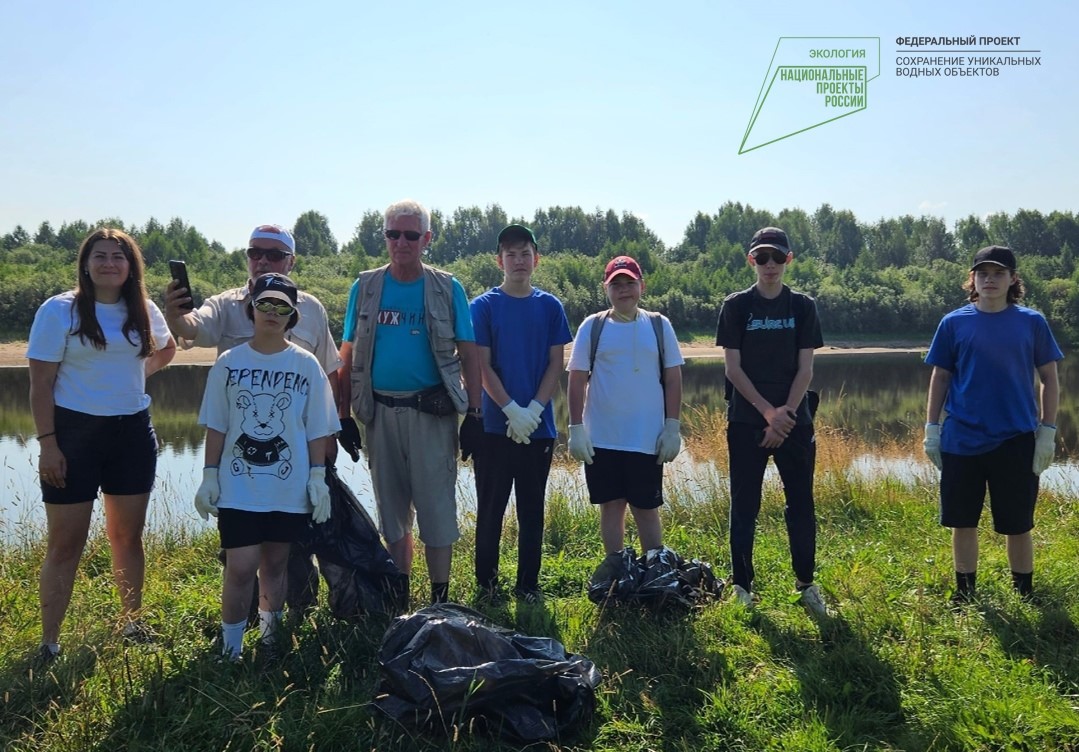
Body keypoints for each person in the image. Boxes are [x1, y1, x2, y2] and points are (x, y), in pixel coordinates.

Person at [164, 223, 340, 616]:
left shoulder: (311, 307)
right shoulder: (225, 304)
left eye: (274, 254)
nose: (262, 260)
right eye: (255, 251)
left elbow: (327, 372)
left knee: (291, 547)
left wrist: (331, 436)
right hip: (240, 463)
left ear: (291, 261)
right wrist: (177, 315)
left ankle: (291, 617)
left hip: (295, 455)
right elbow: (192, 328)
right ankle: (238, 627)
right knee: (240, 557)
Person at [27, 228, 176, 662]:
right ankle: (49, 642)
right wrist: (48, 444)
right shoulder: (60, 311)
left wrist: (133, 378)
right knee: (65, 543)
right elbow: (40, 384)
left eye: (118, 256)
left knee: (127, 537)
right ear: (86, 263)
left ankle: (131, 624)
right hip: (73, 435)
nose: (109, 263)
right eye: (100, 255)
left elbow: (165, 350)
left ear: (131, 266)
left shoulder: (143, 309)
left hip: (131, 433)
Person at [337, 199, 482, 605]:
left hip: (432, 414)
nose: (401, 242)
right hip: (379, 415)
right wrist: (343, 415)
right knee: (392, 512)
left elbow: (469, 353)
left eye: (411, 235)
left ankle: (440, 602)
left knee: (437, 510)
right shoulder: (364, 287)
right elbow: (346, 353)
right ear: (384, 237)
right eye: (393, 234)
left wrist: (474, 413)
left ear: (427, 239)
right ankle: (399, 599)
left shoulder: (447, 287)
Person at [194, 273, 339, 661]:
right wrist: (209, 475)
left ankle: (271, 641)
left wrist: (317, 476)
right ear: (251, 309)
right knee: (240, 567)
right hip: (239, 489)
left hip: (287, 490)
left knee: (276, 565)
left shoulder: (306, 365)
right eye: (264, 305)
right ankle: (231, 649)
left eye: (282, 308)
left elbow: (317, 428)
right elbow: (217, 423)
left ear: (292, 316)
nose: (272, 313)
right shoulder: (229, 363)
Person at [923, 245, 1062, 602]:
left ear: (1013, 279)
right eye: (983, 273)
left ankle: (1024, 594)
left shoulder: (1032, 322)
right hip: (961, 440)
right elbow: (940, 376)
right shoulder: (953, 323)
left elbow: (1049, 377)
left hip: (1016, 440)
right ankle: (965, 594)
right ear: (973, 279)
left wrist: (1047, 430)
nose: (990, 280)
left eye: (999, 273)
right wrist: (931, 429)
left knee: (1017, 523)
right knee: (962, 521)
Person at [715, 227, 826, 616]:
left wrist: (786, 416)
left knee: (801, 504)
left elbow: (806, 369)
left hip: (795, 421)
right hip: (748, 422)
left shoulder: (803, 307)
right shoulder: (736, 306)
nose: (770, 265)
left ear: (788, 260)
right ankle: (743, 587)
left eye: (777, 258)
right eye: (762, 258)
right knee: (744, 504)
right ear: (751, 261)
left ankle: (806, 584)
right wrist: (768, 413)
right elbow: (733, 369)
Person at [469, 224, 572, 603]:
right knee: (491, 509)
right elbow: (482, 366)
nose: (518, 261)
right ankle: (487, 587)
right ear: (499, 261)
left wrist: (532, 411)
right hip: (494, 428)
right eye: (510, 254)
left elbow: (554, 365)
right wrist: (511, 409)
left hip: (538, 428)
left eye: (525, 253)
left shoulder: (550, 307)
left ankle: (528, 586)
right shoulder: (482, 307)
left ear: (536, 259)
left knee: (532, 511)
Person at [566, 255, 684, 584]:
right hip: (601, 438)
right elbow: (576, 379)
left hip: (647, 438)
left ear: (641, 286)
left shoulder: (659, 325)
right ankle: (616, 575)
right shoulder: (593, 326)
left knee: (646, 508)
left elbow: (673, 379)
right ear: (606, 289)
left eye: (630, 283)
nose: (623, 290)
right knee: (612, 506)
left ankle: (657, 576)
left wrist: (672, 427)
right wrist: (576, 428)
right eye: (616, 284)